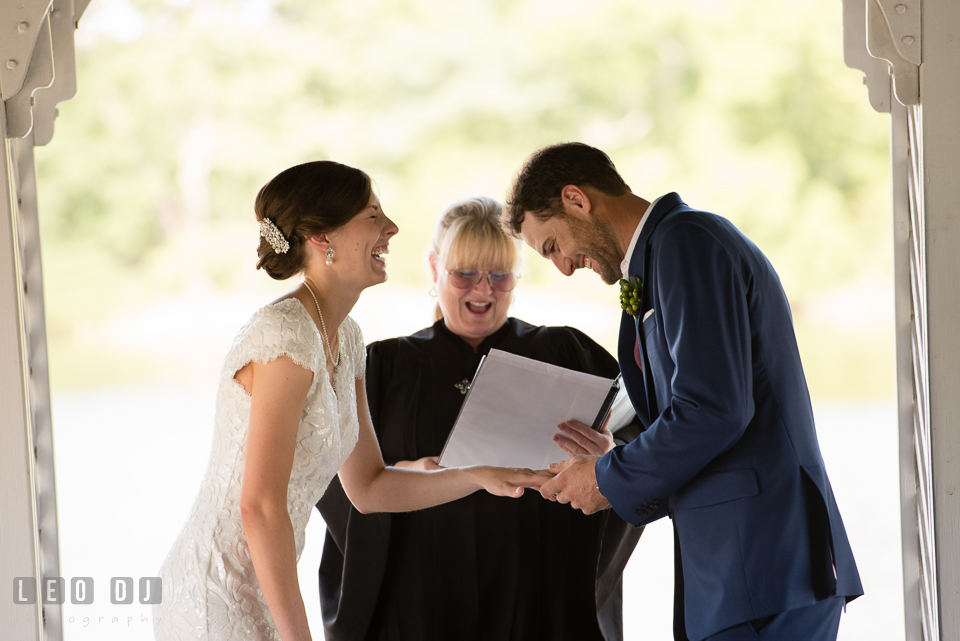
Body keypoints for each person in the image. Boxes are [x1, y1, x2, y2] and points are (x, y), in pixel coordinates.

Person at [153, 162, 547, 641]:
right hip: (217, 594)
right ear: (323, 238)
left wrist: (476, 476)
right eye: (373, 215)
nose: (392, 229)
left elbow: (369, 486)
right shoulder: (286, 336)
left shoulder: (348, 337)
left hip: (266, 584)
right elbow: (259, 507)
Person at [501, 142, 863, 641]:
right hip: (736, 571)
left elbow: (714, 410)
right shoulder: (660, 259)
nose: (562, 266)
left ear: (576, 199)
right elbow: (699, 410)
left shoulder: (687, 242)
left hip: (765, 563)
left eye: (551, 245)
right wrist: (613, 454)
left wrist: (609, 477)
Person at [316, 196, 643, 641]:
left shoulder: (568, 353)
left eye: (499, 275)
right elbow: (327, 478)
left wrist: (608, 458)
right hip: (416, 601)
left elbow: (641, 441)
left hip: (536, 599)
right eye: (465, 273)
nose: (483, 290)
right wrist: (396, 475)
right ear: (434, 269)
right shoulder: (380, 368)